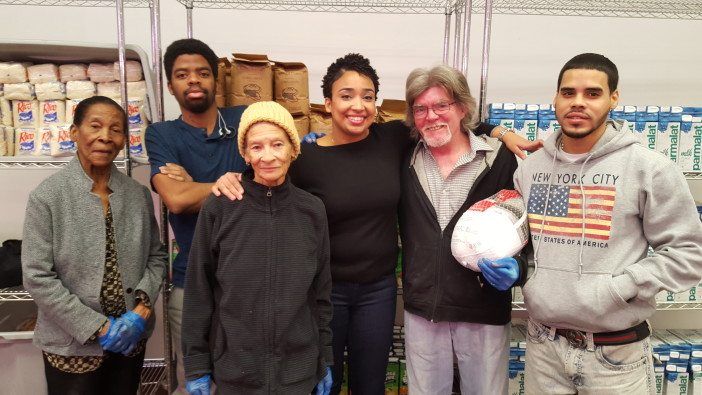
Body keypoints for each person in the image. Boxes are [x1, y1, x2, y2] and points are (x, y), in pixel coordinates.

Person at [212, 53, 539, 395]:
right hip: (324, 291)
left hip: (378, 292)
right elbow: (267, 173)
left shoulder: (392, 139)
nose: (358, 105)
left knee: (371, 385)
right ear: (327, 103)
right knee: (325, 382)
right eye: (346, 95)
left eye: (367, 96)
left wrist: (502, 132)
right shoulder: (305, 159)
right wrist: (232, 177)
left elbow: (448, 119)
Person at [514, 53, 702, 394]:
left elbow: (689, 253)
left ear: (614, 98)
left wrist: (619, 288)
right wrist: (515, 267)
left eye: (593, 93)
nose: (578, 103)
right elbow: (526, 242)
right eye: (568, 93)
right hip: (543, 348)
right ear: (555, 97)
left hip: (615, 357)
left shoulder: (649, 168)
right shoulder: (529, 168)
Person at [181, 101, 333, 395]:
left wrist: (324, 357)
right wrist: (197, 364)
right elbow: (199, 290)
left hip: (297, 372)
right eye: (256, 147)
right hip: (236, 372)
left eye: (277, 144)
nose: (268, 156)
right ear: (245, 154)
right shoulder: (220, 207)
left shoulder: (312, 211)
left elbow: (321, 294)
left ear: (293, 148)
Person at [22, 96, 167, 394]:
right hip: (72, 346)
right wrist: (97, 327)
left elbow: (157, 256)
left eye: (115, 129)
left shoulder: (137, 195)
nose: (105, 137)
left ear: (124, 140)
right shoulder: (48, 196)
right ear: (75, 132)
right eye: (95, 126)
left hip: (130, 339)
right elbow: (37, 277)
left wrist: (141, 310)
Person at [397, 65, 527, 395]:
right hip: (424, 308)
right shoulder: (403, 156)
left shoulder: (499, 160)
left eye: (443, 105)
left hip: (482, 306)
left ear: (462, 108)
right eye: (421, 108)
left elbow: (527, 224)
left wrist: (521, 269)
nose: (431, 116)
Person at [144, 38, 247, 393]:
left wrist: (197, 186)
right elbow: (175, 199)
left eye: (202, 73)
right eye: (182, 74)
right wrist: (230, 183)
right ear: (170, 85)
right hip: (191, 284)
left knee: (246, 380)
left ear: (215, 81)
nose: (193, 81)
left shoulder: (244, 120)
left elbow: (269, 183)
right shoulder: (162, 134)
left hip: (246, 281)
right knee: (195, 382)